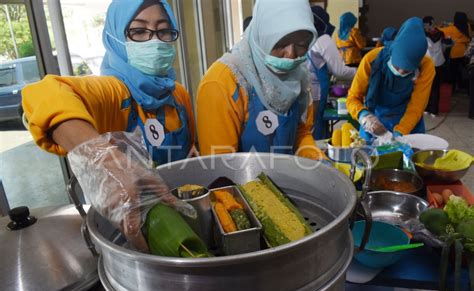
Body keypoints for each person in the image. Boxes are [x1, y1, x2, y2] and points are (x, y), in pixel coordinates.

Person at [22, 0, 196, 252]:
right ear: (115, 38)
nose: (154, 41)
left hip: (184, 223)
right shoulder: (114, 93)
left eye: (163, 30)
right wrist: (105, 159)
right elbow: (41, 93)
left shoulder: (178, 95)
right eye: (138, 32)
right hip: (132, 234)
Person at [196, 0, 326, 160]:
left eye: (301, 44)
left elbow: (301, 134)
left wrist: (319, 163)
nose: (291, 55)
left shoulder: (298, 76)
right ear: (261, 34)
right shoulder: (222, 83)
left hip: (287, 178)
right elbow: (220, 169)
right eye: (280, 43)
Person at [346, 17, 435, 144]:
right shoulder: (371, 60)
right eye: (398, 67)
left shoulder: (426, 66)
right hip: (375, 120)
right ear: (392, 53)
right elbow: (353, 97)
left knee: (408, 159)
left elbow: (416, 106)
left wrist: (400, 134)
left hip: (409, 121)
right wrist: (364, 116)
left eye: (408, 71)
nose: (401, 72)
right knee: (370, 160)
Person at [307, 6, 356, 139]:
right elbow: (339, 71)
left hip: (304, 91)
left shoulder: (306, 37)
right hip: (317, 92)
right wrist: (360, 72)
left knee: (308, 127)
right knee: (316, 126)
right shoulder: (323, 40)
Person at [440, 12, 472, 93]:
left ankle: (453, 89)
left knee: (453, 72)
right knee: (465, 71)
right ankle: (466, 87)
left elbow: (440, 31)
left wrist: (442, 25)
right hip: (465, 52)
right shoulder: (467, 26)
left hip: (454, 53)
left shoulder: (451, 29)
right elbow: (469, 38)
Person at [424, 16, 446, 116]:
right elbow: (444, 48)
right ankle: (434, 110)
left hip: (428, 63)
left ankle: (427, 108)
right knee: (436, 87)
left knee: (427, 86)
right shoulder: (441, 33)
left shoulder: (423, 34)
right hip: (438, 62)